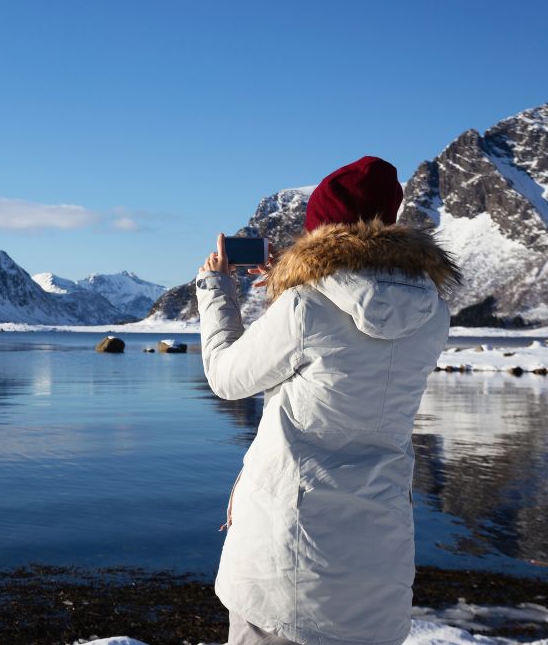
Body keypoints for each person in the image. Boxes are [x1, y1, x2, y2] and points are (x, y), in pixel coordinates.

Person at [195, 156, 461, 645]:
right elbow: (350, 337)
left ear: (319, 232)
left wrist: (217, 290)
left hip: (286, 555)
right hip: (377, 553)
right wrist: (295, 286)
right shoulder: (433, 311)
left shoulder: (304, 305)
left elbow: (228, 379)